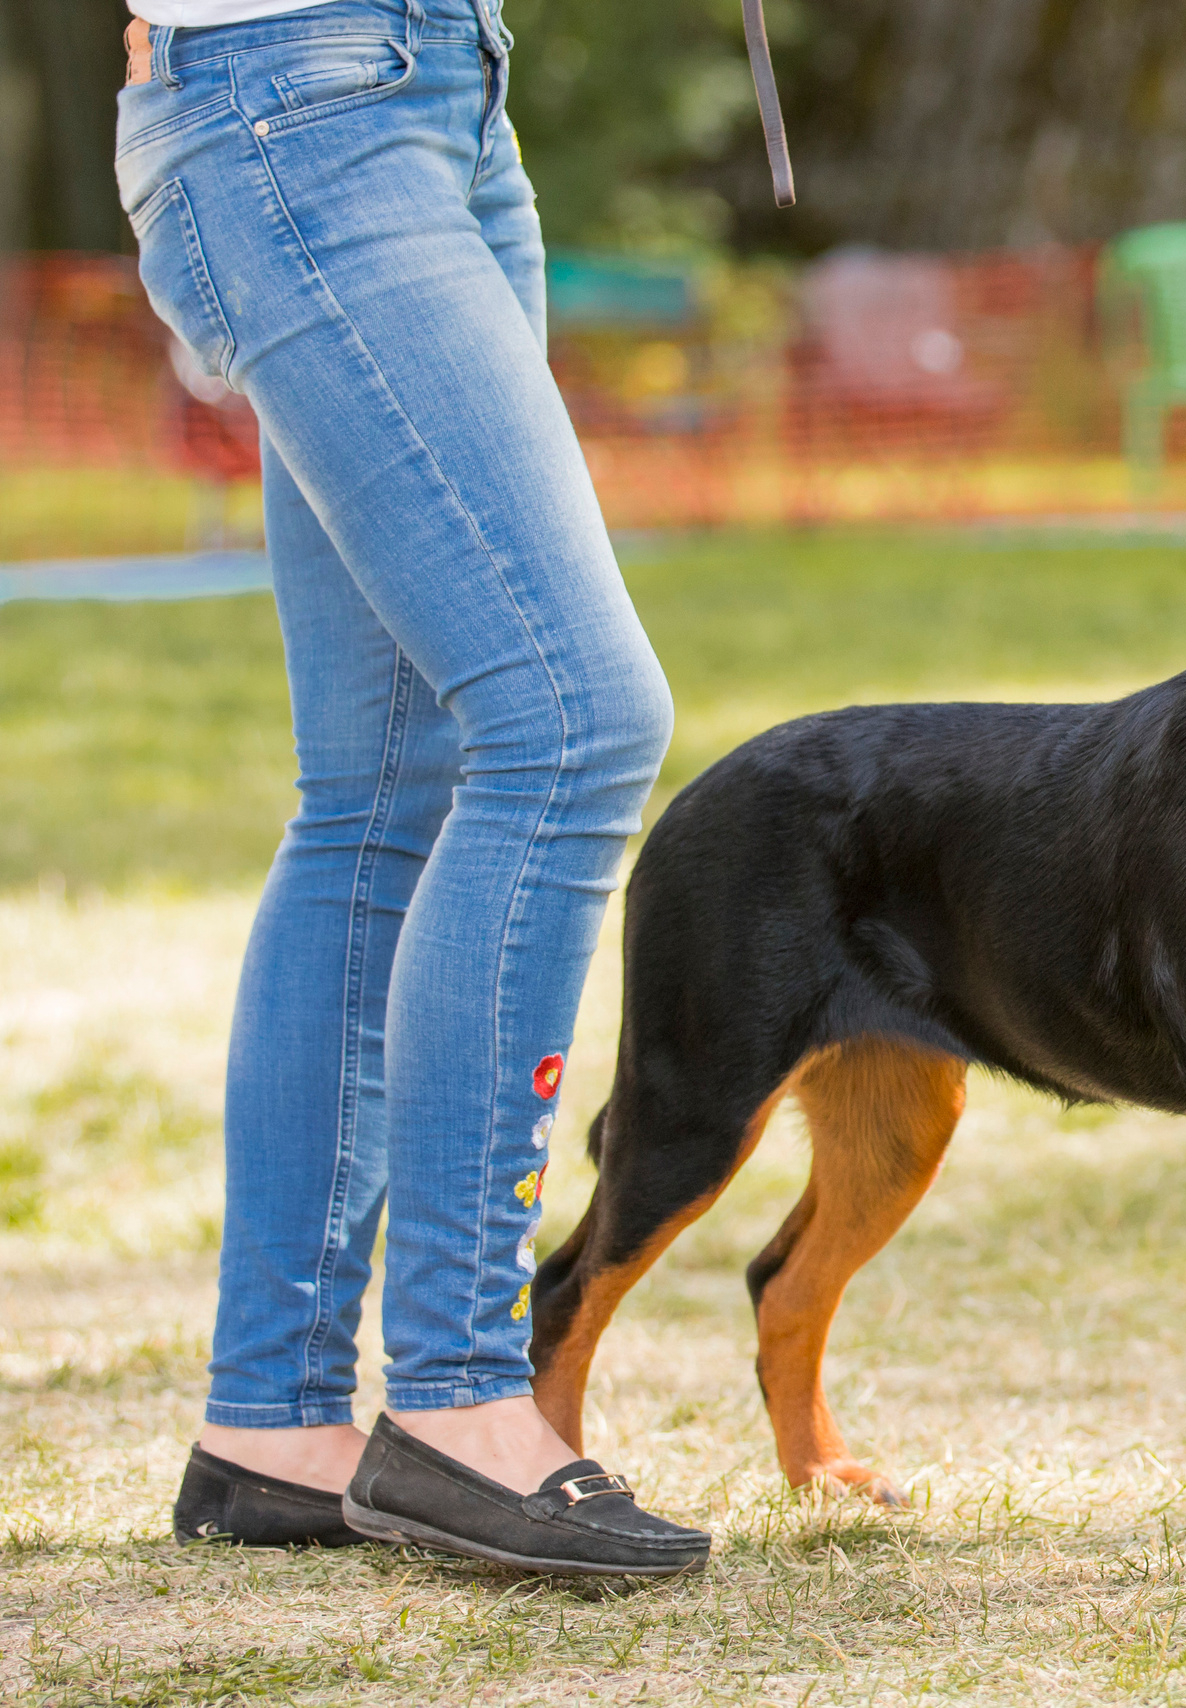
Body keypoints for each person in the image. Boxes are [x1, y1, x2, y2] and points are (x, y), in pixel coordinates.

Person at [118, 0, 706, 1575]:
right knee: (568, 722)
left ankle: (276, 1422)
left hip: (427, 90)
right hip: (299, 99)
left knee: (384, 791)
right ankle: (455, 1394)